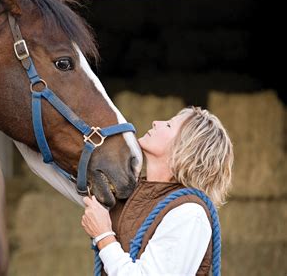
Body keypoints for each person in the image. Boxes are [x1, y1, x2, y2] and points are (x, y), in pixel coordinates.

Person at [81, 106, 233, 275]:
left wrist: (103, 236)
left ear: (185, 147)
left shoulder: (189, 214)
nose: (156, 122)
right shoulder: (129, 194)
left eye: (169, 125)